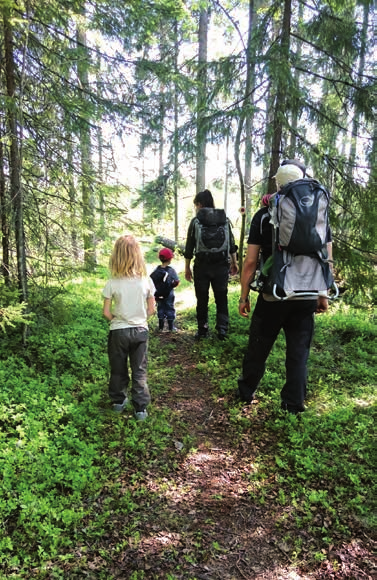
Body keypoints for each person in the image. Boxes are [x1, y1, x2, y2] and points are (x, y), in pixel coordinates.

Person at [237, 161, 332, 414]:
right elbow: (326, 256)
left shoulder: (263, 215)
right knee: (298, 352)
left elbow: (249, 262)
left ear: (277, 184)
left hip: (274, 294)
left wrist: (244, 296)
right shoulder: (317, 213)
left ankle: (245, 392)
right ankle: (293, 403)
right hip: (307, 293)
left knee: (259, 346)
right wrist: (323, 294)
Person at [102, 234, 155, 420]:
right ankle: (140, 409)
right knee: (139, 369)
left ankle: (118, 402)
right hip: (140, 331)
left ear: (116, 256)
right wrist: (140, 318)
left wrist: (119, 319)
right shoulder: (146, 281)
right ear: (138, 255)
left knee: (118, 368)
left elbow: (106, 313)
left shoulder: (112, 282)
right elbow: (152, 309)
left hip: (118, 332)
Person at [184, 189, 238, 340]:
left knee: (202, 298)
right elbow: (231, 244)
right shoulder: (224, 219)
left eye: (196, 205)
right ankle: (222, 329)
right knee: (222, 297)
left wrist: (187, 267)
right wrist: (234, 262)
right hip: (221, 265)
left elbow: (189, 246)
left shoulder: (196, 221)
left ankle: (202, 329)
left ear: (199, 204)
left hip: (202, 265)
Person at [150, 247, 180, 332]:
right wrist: (172, 285)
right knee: (170, 307)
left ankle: (160, 327)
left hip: (158, 293)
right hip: (169, 293)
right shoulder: (171, 270)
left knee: (160, 308)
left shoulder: (156, 269)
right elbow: (177, 281)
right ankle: (171, 327)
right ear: (170, 259)